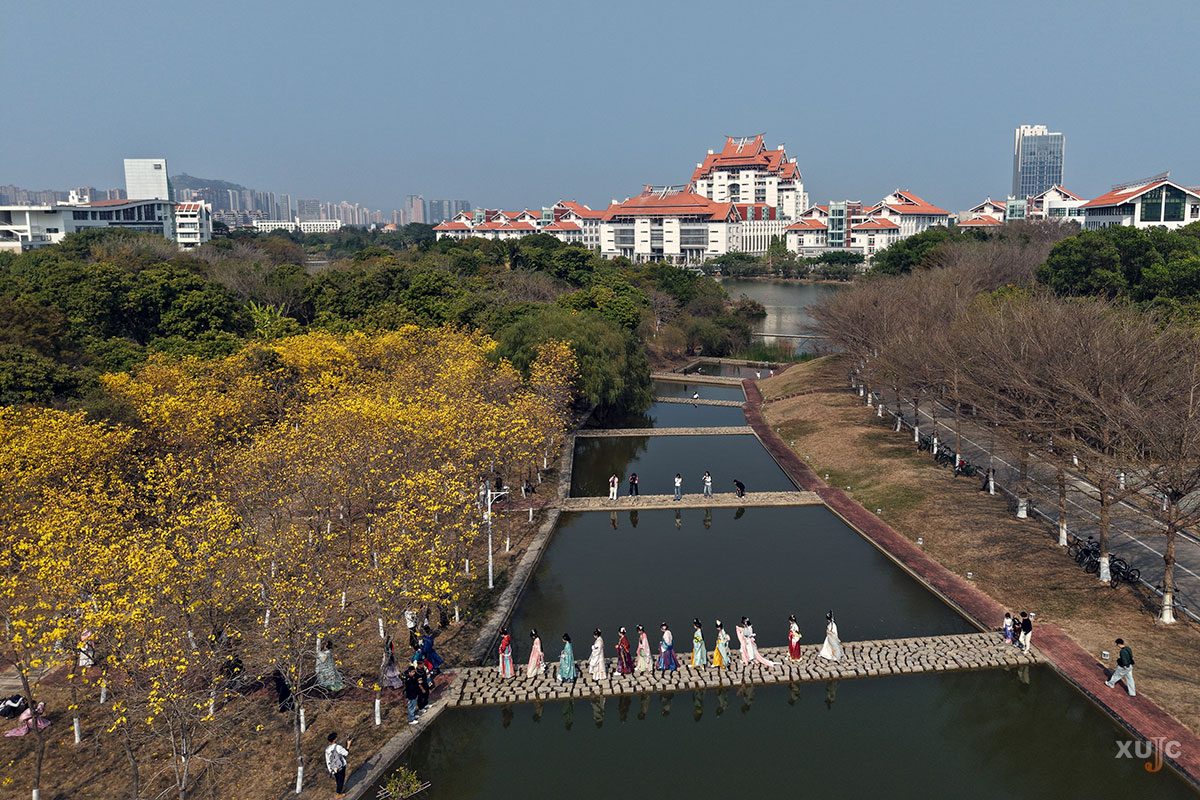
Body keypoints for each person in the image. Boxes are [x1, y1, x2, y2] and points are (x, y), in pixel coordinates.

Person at [325, 731, 351, 798]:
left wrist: (330, 769)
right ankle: (338, 794)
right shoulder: (338, 747)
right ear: (334, 739)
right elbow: (346, 753)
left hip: (333, 768)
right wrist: (348, 744)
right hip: (340, 766)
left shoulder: (327, 749)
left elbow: (328, 760)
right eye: (336, 737)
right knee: (341, 780)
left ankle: (340, 789)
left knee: (338, 780)